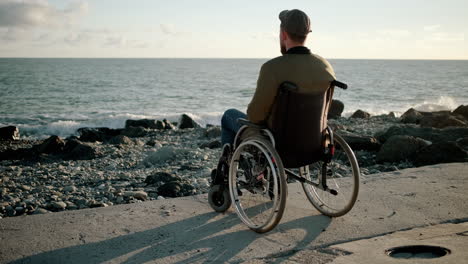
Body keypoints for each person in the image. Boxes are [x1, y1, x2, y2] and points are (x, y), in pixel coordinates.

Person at [213, 9, 337, 185]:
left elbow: (256, 116)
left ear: (283, 33)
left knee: (229, 116)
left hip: (278, 145)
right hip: (313, 143)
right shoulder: (325, 66)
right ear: (307, 34)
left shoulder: (272, 68)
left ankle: (226, 178)